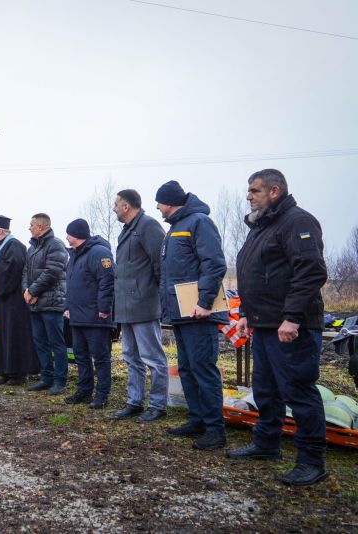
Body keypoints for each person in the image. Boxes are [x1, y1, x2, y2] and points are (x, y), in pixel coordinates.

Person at [226, 170, 329, 486]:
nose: (248, 196)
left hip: (290, 328)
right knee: (266, 389)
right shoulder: (260, 228)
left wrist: (292, 317)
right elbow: (253, 274)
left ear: (275, 191)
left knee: (298, 391)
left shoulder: (297, 221)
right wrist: (244, 313)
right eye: (248, 190)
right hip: (264, 325)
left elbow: (310, 272)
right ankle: (267, 443)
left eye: (254, 190)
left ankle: (312, 461)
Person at [156, 180, 228, 450]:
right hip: (181, 313)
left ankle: (215, 429)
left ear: (172, 201)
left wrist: (204, 301)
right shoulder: (175, 227)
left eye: (160, 202)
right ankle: (197, 419)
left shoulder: (199, 222)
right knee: (187, 368)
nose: (158, 208)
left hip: (199, 312)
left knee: (203, 369)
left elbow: (214, 263)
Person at [111, 189, 170, 422]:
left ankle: (157, 405)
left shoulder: (148, 226)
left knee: (153, 358)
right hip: (126, 307)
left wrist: (156, 296)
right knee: (130, 357)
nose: (114, 208)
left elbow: (160, 264)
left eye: (116, 204)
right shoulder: (127, 231)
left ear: (126, 206)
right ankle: (134, 401)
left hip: (144, 304)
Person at [62, 219, 116, 409]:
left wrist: (103, 309)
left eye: (68, 233)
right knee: (81, 356)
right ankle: (84, 392)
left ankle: (102, 395)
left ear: (76, 234)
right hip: (77, 316)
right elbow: (71, 285)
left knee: (100, 357)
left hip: (96, 317)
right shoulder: (74, 256)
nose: (66, 237)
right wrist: (67, 307)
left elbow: (107, 281)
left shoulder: (99, 253)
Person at [0, 215, 40, 385]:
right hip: (3, 301)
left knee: (14, 336)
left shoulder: (13, 245)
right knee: (4, 336)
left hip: (14, 301)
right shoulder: (2, 246)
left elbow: (11, 270)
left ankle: (18, 372)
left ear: (0, 231)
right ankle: (5, 370)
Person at [22, 213, 69, 396]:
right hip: (34, 304)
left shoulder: (56, 245)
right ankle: (46, 378)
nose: (29, 228)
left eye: (31, 224)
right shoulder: (32, 248)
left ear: (41, 227)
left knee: (56, 343)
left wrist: (33, 291)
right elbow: (25, 271)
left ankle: (60, 381)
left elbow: (52, 272)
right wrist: (26, 291)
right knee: (40, 343)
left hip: (51, 303)